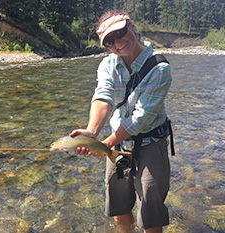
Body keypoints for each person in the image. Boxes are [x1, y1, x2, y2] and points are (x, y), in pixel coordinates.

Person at [70, 10, 172, 233]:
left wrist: (105, 144)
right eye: (109, 41)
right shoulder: (107, 65)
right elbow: (102, 96)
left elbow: (140, 119)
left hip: (150, 141)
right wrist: (91, 133)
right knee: (118, 203)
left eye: (120, 33)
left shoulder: (160, 68)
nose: (117, 42)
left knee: (151, 211)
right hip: (117, 143)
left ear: (132, 27)